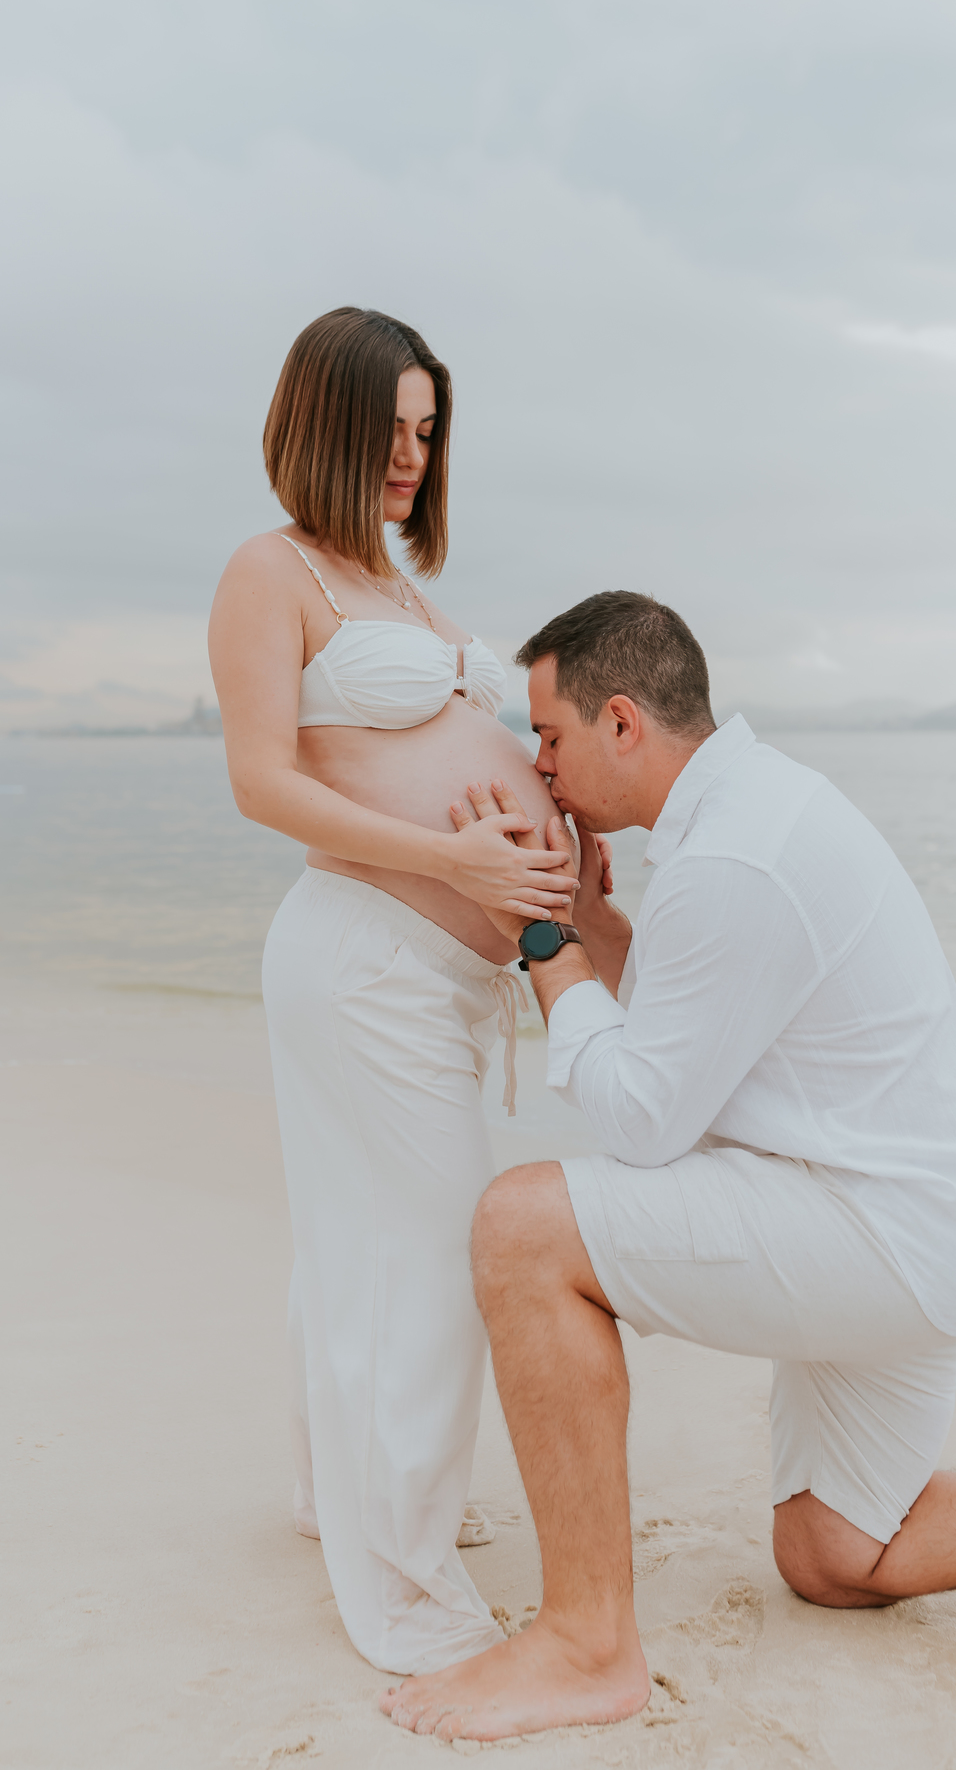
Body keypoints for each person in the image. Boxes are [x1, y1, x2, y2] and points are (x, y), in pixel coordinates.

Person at [382, 590, 956, 1741]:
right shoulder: (748, 817)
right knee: (837, 1551)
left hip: (879, 1230)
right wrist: (591, 925)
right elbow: (694, 1027)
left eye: (552, 735)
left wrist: (540, 941)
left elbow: (642, 1123)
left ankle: (586, 1643)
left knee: (522, 1227)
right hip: (919, 1225)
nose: (539, 763)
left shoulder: (734, 859)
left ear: (625, 723)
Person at [207, 307, 585, 1676]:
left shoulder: (406, 596)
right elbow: (265, 781)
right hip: (362, 954)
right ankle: (408, 1580)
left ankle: (337, 1496)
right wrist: (458, 854)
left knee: (350, 1245)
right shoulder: (273, 572)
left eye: (429, 432)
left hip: (432, 976)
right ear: (327, 423)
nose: (413, 457)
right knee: (432, 1256)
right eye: (391, 430)